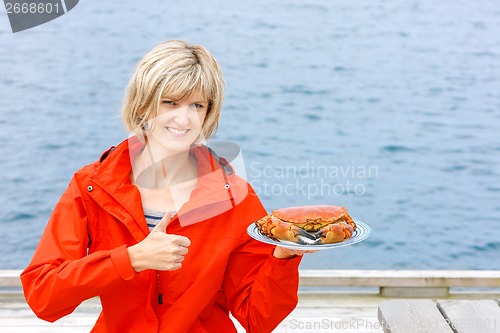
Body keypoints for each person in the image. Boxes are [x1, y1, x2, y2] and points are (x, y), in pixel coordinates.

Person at [20, 40, 312, 333]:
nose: (183, 119)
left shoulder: (236, 197)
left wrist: (284, 257)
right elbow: (43, 296)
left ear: (208, 112)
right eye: (169, 102)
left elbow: (257, 318)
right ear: (143, 104)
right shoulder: (90, 187)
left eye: (196, 105)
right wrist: (131, 259)